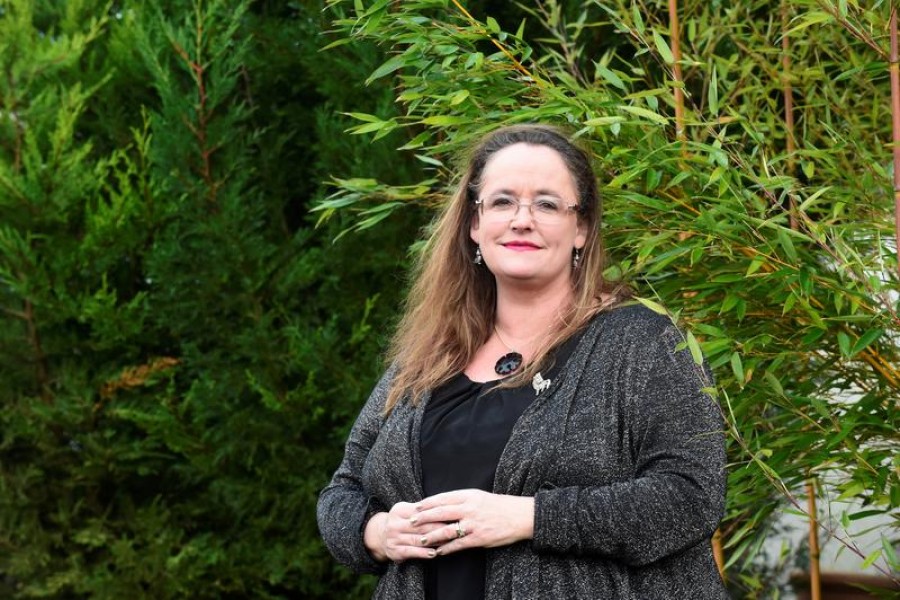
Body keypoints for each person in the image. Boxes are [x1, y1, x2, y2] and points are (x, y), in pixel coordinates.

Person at [317, 124, 728, 599]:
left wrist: (530, 518)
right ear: (474, 224)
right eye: (502, 201)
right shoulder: (431, 356)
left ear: (582, 229)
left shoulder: (646, 342)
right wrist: (378, 533)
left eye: (547, 204)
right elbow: (343, 491)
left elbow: (691, 498)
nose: (522, 220)